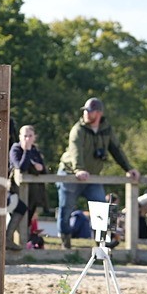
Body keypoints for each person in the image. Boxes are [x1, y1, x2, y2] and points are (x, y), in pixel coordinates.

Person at [55, 97, 139, 249]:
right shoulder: (78, 129)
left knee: (102, 207)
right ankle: (65, 242)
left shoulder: (106, 130)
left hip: (92, 176)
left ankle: (102, 243)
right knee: (65, 209)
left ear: (99, 113)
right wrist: (78, 169)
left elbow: (116, 149)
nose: (86, 114)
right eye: (85, 111)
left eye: (90, 111)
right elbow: (75, 151)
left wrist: (129, 168)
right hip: (70, 173)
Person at [7, 124, 48, 249]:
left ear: (34, 137)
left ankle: (24, 246)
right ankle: (8, 240)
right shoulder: (15, 149)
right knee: (20, 211)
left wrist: (40, 167)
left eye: (30, 136)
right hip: (14, 191)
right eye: (25, 136)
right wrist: (27, 150)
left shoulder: (35, 151)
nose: (27, 139)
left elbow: (44, 170)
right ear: (20, 137)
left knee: (28, 217)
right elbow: (21, 167)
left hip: (32, 193)